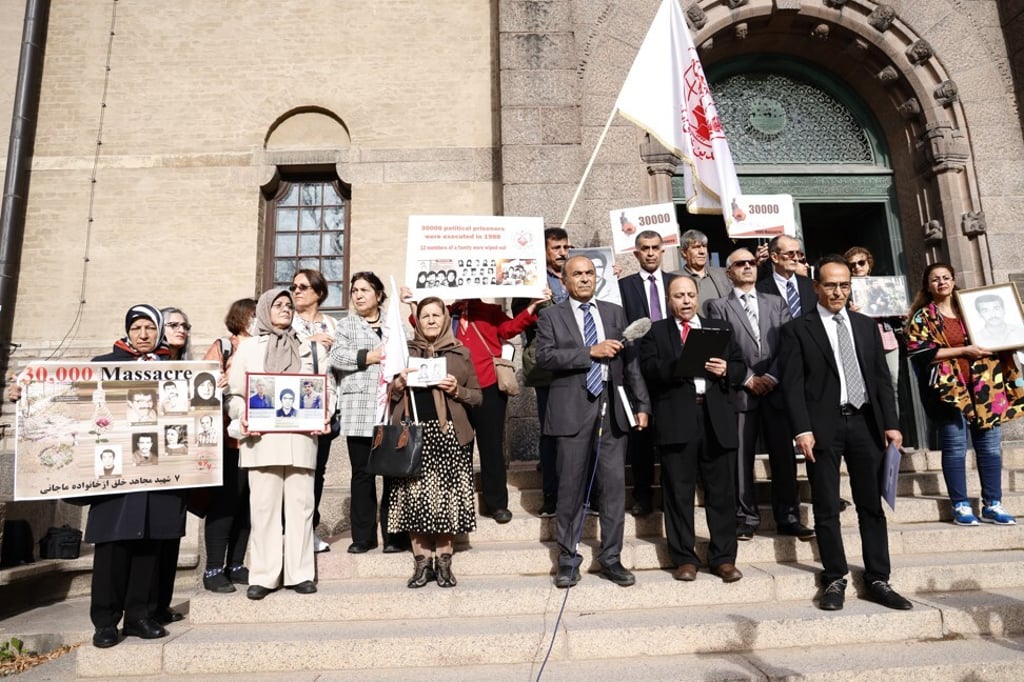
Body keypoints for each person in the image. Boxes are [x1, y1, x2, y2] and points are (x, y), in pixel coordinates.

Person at [7, 304, 186, 648]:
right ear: (127, 332)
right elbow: (67, 402)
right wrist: (24, 394)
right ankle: (105, 622)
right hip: (114, 473)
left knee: (150, 547)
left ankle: (139, 616)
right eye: (137, 328)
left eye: (150, 328)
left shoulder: (177, 368)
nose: (144, 335)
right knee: (113, 549)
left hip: (157, 473)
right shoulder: (102, 365)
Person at [779, 255, 911, 611]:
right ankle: (834, 577)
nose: (838, 292)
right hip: (822, 428)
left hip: (866, 424)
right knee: (825, 505)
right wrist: (802, 429)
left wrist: (892, 424)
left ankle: (878, 578)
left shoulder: (867, 326)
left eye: (844, 285)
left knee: (871, 504)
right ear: (816, 286)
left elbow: (882, 381)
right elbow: (791, 385)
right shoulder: (797, 329)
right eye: (831, 285)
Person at [535, 255, 650, 588]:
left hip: (612, 411)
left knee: (613, 489)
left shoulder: (614, 312)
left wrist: (642, 404)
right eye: (577, 274)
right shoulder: (551, 316)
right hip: (571, 413)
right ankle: (568, 559)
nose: (584, 279)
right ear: (565, 280)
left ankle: (611, 558)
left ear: (596, 278)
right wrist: (590, 352)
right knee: (570, 489)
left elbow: (631, 364)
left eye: (589, 273)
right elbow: (545, 357)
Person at [639, 275, 746, 583]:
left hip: (717, 420)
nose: (685, 301)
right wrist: (683, 362)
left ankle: (724, 558)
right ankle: (684, 558)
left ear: (697, 297)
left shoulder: (719, 328)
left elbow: (740, 366)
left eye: (689, 295)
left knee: (721, 493)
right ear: (668, 300)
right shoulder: (656, 332)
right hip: (678, 421)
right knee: (678, 492)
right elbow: (650, 370)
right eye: (678, 296)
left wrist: (727, 370)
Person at [227, 288, 331, 599]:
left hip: (300, 439)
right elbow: (235, 394)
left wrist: (323, 415)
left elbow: (322, 391)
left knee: (301, 508)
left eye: (289, 305)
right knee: (264, 509)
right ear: (263, 311)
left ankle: (300, 573)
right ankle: (265, 575)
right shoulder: (249, 349)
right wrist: (242, 414)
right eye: (278, 305)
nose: (285, 309)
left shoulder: (310, 350)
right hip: (261, 440)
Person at [905, 263, 1024, 526]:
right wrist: (963, 351)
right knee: (955, 446)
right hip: (948, 390)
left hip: (986, 387)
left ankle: (993, 503)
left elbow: (1002, 335)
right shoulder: (922, 317)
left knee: (991, 447)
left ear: (954, 280)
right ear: (927, 285)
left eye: (946, 277)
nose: (942, 282)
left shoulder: (972, 309)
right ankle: (960, 505)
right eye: (935, 279)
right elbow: (919, 352)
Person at [706, 248, 812, 541]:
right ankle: (746, 517)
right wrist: (750, 378)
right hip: (742, 392)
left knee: (783, 457)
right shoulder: (717, 307)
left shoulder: (776, 303)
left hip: (776, 391)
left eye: (751, 263)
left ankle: (789, 516)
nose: (748, 267)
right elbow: (723, 349)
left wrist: (772, 375)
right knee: (742, 458)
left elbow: (788, 345)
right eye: (740, 263)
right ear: (729, 272)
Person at [388, 296, 482, 588]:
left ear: (445, 320)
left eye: (436, 315)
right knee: (414, 496)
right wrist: (398, 385)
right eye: (425, 315)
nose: (430, 320)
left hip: (448, 434)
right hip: (412, 433)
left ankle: (443, 561)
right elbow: (388, 395)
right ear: (417, 320)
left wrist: (458, 391)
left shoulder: (460, 352)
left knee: (447, 498)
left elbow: (478, 396)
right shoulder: (404, 352)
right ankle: (421, 563)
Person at [446, 293, 544, 524]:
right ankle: (459, 503)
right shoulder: (450, 311)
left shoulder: (490, 311)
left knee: (491, 448)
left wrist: (532, 307)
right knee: (458, 447)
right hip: (456, 387)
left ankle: (497, 504)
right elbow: (423, 324)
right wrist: (411, 303)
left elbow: (509, 329)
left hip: (489, 386)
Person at [330, 272, 407, 554]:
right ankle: (363, 537)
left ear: (378, 294)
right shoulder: (347, 325)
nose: (358, 295)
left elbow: (407, 355)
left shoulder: (393, 323)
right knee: (362, 474)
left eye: (364, 289)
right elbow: (336, 357)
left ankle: (394, 535)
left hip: (390, 408)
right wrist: (367, 357)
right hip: (359, 409)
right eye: (354, 291)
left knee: (392, 473)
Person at [513, 227, 572, 517]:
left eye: (565, 247)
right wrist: (532, 301)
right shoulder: (531, 279)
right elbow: (517, 316)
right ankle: (550, 494)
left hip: (578, 364)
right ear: (544, 251)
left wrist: (608, 279)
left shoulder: (576, 274)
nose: (562, 252)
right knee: (550, 432)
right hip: (547, 366)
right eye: (556, 247)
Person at [200, 297, 255, 593]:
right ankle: (212, 569)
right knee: (224, 505)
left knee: (247, 506)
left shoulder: (265, 347)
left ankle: (236, 564)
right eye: (254, 315)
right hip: (227, 439)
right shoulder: (224, 346)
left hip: (256, 442)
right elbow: (200, 385)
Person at [617, 230, 674, 516]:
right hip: (637, 368)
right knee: (641, 434)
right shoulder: (623, 286)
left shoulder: (675, 283)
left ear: (663, 251)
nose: (650, 253)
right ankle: (642, 495)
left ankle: (672, 493)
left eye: (655, 247)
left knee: (672, 432)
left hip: (672, 367)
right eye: (644, 248)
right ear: (635, 253)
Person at [291, 268, 339, 554]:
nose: (296, 291)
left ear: (318, 293)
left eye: (303, 286)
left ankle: (310, 529)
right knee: (298, 472)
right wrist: (310, 343)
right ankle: (293, 532)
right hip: (293, 410)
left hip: (326, 409)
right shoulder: (287, 321)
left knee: (317, 472)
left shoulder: (333, 324)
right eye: (294, 286)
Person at [845, 246, 903, 403]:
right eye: (852, 265)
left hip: (887, 339)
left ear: (869, 264)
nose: (857, 267)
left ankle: (893, 425)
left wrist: (900, 309)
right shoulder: (845, 290)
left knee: (892, 384)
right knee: (867, 386)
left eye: (861, 262)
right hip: (862, 341)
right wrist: (849, 313)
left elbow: (900, 315)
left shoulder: (885, 285)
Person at [757, 235, 816, 318]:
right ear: (774, 257)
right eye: (790, 253)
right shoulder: (760, 290)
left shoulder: (811, 285)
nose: (796, 258)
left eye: (798, 254)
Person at [676, 229, 731, 313]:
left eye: (704, 246)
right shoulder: (673, 278)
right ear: (684, 252)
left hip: (722, 325)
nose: (702, 252)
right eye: (696, 247)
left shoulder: (723, 274)